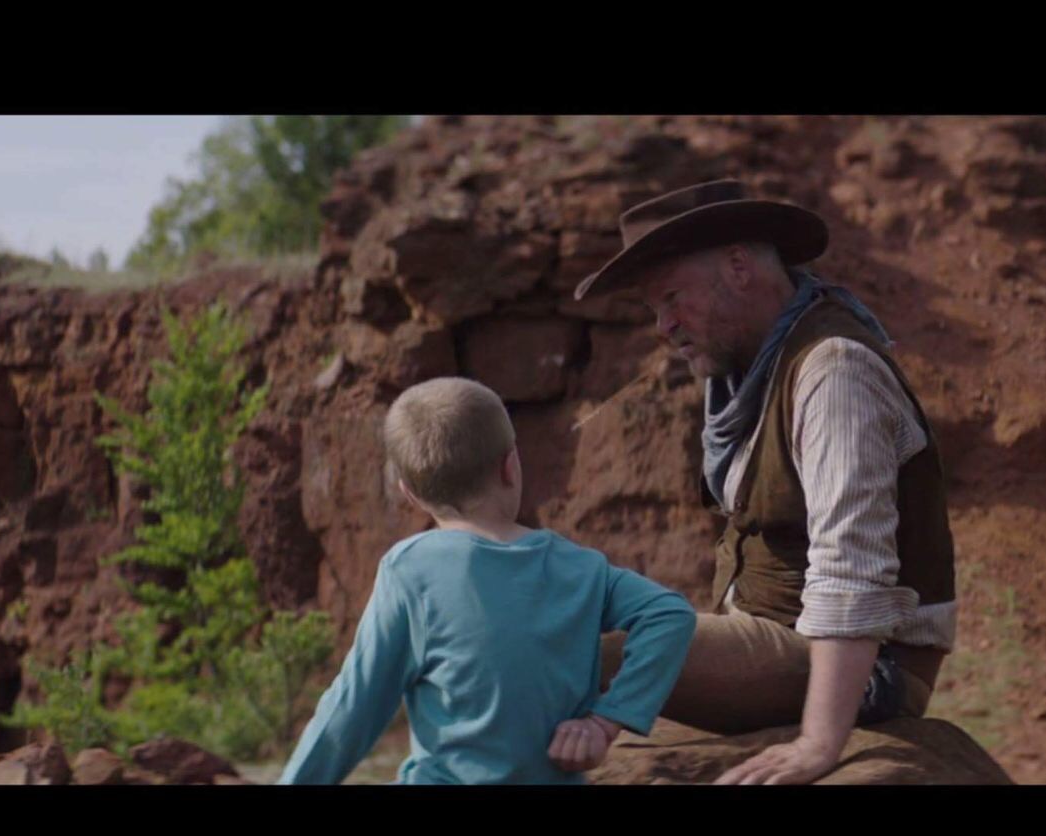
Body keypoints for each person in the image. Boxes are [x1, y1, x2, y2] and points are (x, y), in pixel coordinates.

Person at [575, 179, 958, 785]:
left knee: (584, 651)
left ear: (738, 268)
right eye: (654, 309)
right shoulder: (748, 374)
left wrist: (817, 744)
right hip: (776, 637)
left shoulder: (834, 370)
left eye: (672, 298)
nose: (664, 326)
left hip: (871, 667)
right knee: (567, 610)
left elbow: (851, 566)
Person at [278, 377, 696, 784]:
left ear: (410, 494)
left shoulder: (409, 571)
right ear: (510, 466)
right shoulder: (582, 567)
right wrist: (605, 722)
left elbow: (353, 706)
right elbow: (669, 614)